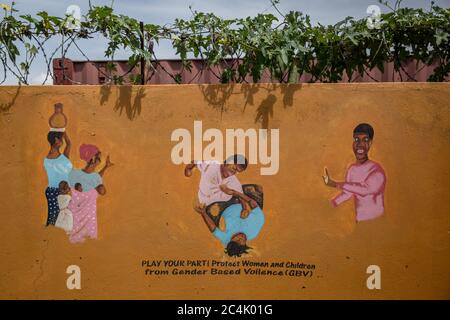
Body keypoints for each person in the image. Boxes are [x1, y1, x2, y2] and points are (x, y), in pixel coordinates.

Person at [323, 123, 386, 222]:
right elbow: (348, 193)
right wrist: (331, 204)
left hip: (378, 224)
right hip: (360, 224)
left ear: (370, 143)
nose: (359, 144)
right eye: (356, 139)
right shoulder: (352, 169)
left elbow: (365, 189)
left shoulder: (377, 170)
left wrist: (335, 184)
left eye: (365, 140)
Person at [195, 185, 264, 257]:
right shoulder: (254, 229)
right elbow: (253, 204)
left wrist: (203, 213)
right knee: (258, 189)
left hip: (224, 206)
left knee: (206, 207)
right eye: (243, 242)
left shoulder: (227, 241)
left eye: (237, 240)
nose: (242, 238)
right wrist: (238, 196)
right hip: (246, 199)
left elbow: (213, 229)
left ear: (230, 241)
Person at [67, 144, 113, 243]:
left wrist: (105, 167)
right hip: (87, 219)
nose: (100, 161)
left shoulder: (74, 174)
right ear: (92, 158)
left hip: (75, 217)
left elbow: (92, 178)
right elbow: (96, 183)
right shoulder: (95, 179)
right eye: (98, 158)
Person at [43, 131, 72, 226]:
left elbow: (69, 143)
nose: (63, 141)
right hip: (55, 191)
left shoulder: (62, 157)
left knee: (62, 221)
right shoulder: (50, 158)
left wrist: (63, 130)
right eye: (61, 139)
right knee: (55, 220)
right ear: (56, 140)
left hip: (62, 191)